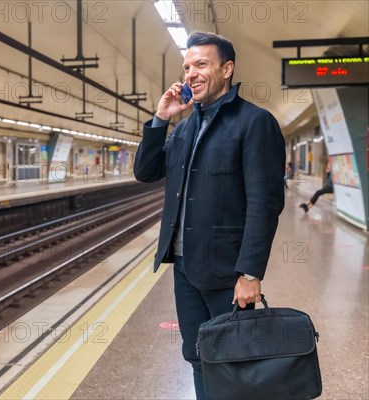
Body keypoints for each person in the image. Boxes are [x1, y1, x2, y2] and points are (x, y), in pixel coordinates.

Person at [133, 32, 285, 399]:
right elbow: (146, 171)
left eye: (201, 64)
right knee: (198, 355)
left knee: (233, 360)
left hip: (227, 271)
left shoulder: (254, 123)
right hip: (185, 267)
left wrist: (250, 273)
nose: (191, 74)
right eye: (187, 67)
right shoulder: (185, 126)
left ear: (227, 69)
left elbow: (264, 203)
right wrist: (160, 119)